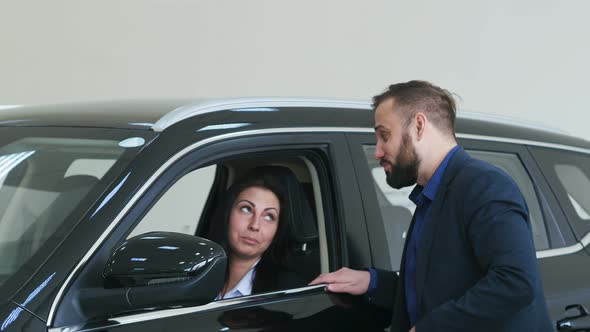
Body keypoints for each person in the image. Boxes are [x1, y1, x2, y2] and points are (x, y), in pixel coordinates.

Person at [310, 80, 553, 331]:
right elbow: (437, 289)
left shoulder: (484, 185)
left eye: (384, 136)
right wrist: (372, 282)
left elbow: (515, 282)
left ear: (418, 126)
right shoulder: (432, 196)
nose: (378, 152)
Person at [215, 171, 305, 300]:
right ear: (228, 214)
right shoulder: (199, 273)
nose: (255, 225)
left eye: (269, 216)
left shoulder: (288, 291)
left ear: (277, 230)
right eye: (246, 209)